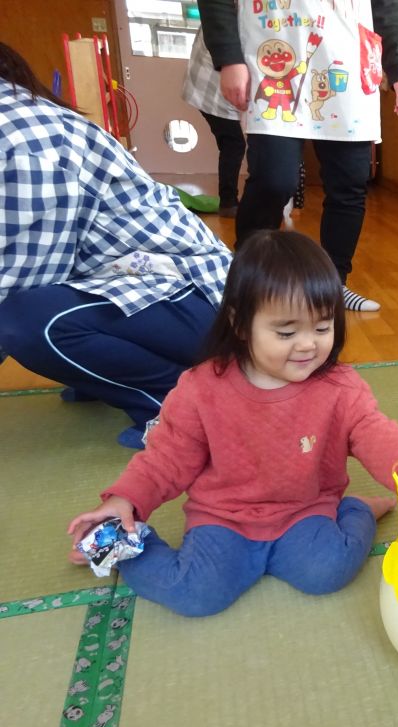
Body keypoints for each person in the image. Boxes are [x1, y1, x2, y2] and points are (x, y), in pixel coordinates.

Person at [68, 230, 398, 617]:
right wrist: (125, 501)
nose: (308, 344)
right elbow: (165, 460)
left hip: (304, 511)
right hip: (224, 518)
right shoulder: (201, 390)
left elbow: (380, 437)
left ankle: (357, 510)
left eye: (322, 327)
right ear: (239, 323)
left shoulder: (338, 387)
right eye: (286, 332)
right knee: (196, 594)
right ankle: (126, 544)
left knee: (328, 573)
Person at [0, 41, 232, 449]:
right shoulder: (20, 120)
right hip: (159, 289)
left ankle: (177, 407)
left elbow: (22, 277)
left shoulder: (19, 138)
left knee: (24, 320)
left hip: (203, 301)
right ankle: (116, 371)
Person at [197, 0, 398, 312]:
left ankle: (333, 285)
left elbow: (387, 5)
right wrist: (228, 57)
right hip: (272, 55)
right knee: (274, 180)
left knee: (350, 184)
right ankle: (246, 283)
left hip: (348, 63)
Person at [182, 27, 246, 218]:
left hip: (210, 87)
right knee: (233, 144)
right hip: (212, 89)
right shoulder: (223, 21)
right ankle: (228, 202)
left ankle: (229, 201)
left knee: (232, 143)